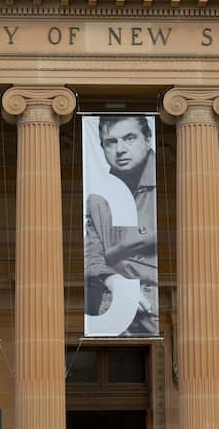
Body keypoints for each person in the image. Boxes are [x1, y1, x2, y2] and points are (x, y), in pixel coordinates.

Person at [84, 116, 159, 336]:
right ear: (102, 147)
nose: (120, 150)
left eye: (129, 138)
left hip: (157, 306)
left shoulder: (173, 178)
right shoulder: (97, 198)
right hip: (116, 307)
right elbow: (91, 254)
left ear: (148, 139)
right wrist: (114, 281)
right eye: (111, 142)